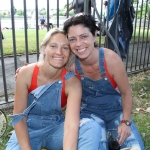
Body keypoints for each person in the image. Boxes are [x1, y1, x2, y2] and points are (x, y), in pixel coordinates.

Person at [6, 28, 101, 150]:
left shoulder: (72, 83)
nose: (59, 52)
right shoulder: (26, 73)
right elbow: (19, 117)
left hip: (56, 128)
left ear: (70, 53)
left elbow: (71, 125)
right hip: (28, 129)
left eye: (65, 48)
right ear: (43, 49)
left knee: (92, 127)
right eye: (53, 46)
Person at [63, 13, 145, 150]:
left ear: (94, 35)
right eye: (72, 39)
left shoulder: (111, 59)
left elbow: (126, 93)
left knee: (135, 147)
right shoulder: (71, 66)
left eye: (83, 36)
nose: (78, 44)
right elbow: (48, 70)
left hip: (116, 113)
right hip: (89, 116)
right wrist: (25, 72)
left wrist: (125, 122)